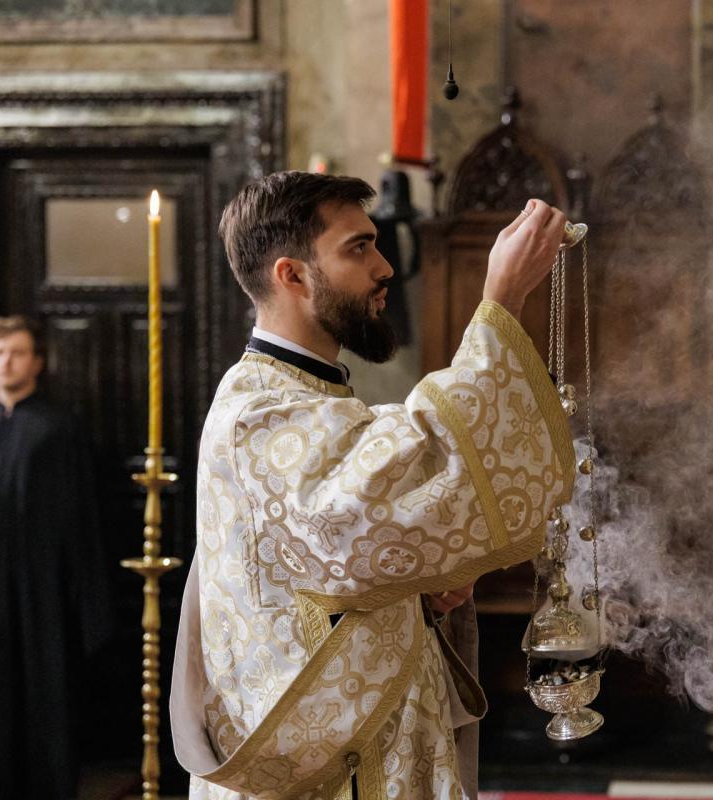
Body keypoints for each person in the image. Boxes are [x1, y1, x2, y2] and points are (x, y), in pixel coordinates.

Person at [170, 172, 575, 800]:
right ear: (292, 275)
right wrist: (500, 302)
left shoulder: (310, 396)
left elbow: (333, 564)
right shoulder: (261, 413)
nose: (384, 268)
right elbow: (402, 478)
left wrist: (420, 594)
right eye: (358, 248)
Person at [0, 315, 113, 800]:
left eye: (17, 353)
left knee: (43, 697)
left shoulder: (57, 428)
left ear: (37, 362)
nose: (5, 362)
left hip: (40, 593)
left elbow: (80, 521)